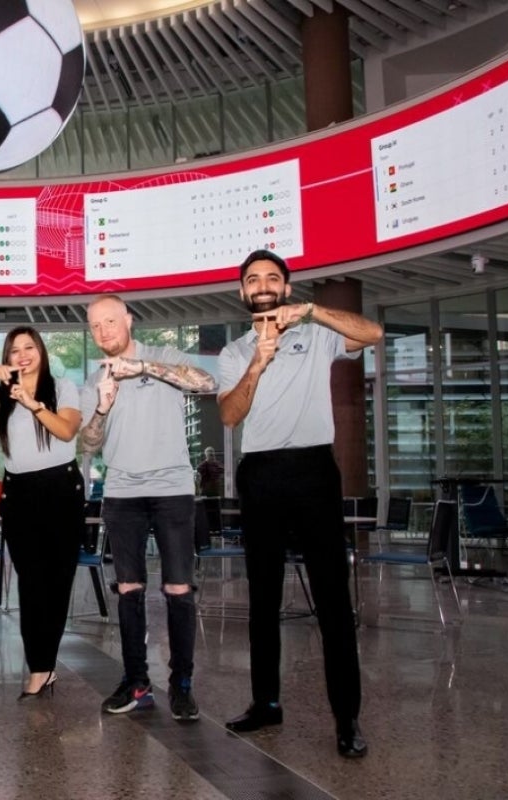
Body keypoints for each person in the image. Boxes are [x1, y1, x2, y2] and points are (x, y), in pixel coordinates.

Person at [218, 249, 382, 758]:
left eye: (272, 277)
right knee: (262, 598)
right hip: (261, 472)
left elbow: (371, 333)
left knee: (332, 599)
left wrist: (312, 311)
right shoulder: (233, 352)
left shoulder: (318, 333)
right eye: (253, 279)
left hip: (313, 470)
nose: (262, 285)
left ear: (286, 288)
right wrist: (257, 364)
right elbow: (229, 415)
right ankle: (266, 703)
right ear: (244, 293)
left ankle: (347, 717)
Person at [80, 294, 216, 722]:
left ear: (129, 320)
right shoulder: (93, 378)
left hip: (172, 487)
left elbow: (204, 383)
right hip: (121, 492)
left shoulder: (164, 356)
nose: (104, 331)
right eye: (96, 325)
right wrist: (102, 406)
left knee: (178, 590)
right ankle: (137, 683)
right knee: (128, 590)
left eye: (110, 321)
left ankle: (182, 683)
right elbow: (88, 443)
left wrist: (142, 368)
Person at [0, 326, 83, 699]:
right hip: (20, 492)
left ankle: (44, 665)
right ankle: (39, 666)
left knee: (57, 581)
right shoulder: (3, 397)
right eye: (15, 350)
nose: (23, 355)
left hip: (61, 489)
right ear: (7, 358)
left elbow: (66, 431)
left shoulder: (62, 387)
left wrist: (34, 405)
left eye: (30, 347)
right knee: (29, 583)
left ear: (41, 351)